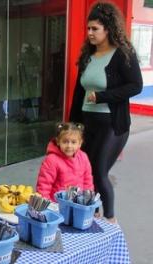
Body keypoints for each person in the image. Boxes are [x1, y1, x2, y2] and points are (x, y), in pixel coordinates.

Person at [69, 2, 142, 224]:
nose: (89, 33)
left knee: (99, 172)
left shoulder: (122, 54)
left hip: (113, 124)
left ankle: (111, 220)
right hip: (87, 123)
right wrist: (71, 126)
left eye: (95, 29)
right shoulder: (88, 54)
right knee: (86, 173)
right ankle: (92, 213)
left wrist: (102, 96)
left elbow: (135, 86)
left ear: (108, 29)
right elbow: (79, 92)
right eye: (88, 28)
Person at [36, 122, 94, 202]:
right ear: (58, 141)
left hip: (78, 203)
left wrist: (88, 199)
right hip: (56, 204)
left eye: (73, 142)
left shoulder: (83, 157)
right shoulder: (51, 160)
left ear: (80, 143)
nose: (69, 146)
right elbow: (44, 185)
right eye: (65, 142)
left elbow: (87, 180)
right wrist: (47, 205)